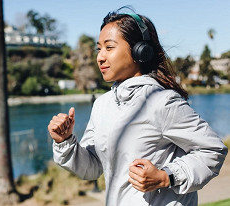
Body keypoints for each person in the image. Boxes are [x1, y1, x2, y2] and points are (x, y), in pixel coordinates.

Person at [47, 7, 228, 206]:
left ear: (139, 51)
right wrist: (65, 142)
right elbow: (92, 168)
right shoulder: (101, 105)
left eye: (109, 47)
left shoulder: (161, 101)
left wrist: (166, 177)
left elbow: (213, 150)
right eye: (99, 49)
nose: (100, 57)